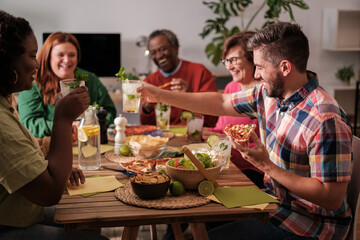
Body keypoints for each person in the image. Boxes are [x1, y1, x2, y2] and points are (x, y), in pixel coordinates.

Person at [139, 22, 353, 240]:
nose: (257, 75)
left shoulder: (325, 118)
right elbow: (221, 101)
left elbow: (331, 197)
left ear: (285, 67)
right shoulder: (269, 94)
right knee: (200, 219)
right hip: (273, 205)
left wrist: (265, 166)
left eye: (260, 67)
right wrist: (160, 95)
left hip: (307, 226)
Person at [0, 10, 107, 239]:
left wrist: (56, 166)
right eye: (31, 55)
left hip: (22, 206)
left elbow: (23, 154)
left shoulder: (5, 102)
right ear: (7, 61)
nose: (36, 63)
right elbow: (50, 194)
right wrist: (63, 120)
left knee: (89, 218)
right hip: (10, 222)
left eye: (72, 54)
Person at [18, 32, 116, 138]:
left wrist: (90, 123)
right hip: (49, 146)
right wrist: (68, 126)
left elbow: (110, 111)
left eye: (72, 55)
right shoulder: (33, 82)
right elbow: (30, 124)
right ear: (48, 57)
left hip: (88, 142)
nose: (67, 60)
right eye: (60, 55)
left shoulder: (90, 79)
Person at [202, 32, 264, 189]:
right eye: (226, 61)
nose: (228, 66)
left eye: (233, 60)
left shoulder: (265, 93)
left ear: (253, 58)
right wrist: (207, 132)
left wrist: (226, 141)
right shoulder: (231, 87)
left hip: (253, 171)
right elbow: (221, 129)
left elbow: (265, 148)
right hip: (228, 164)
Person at [140, 29, 218, 127]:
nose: (159, 55)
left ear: (175, 48)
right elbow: (146, 127)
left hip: (195, 136)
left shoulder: (200, 72)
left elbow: (213, 119)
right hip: (162, 138)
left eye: (163, 49)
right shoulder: (150, 81)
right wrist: (147, 110)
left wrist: (190, 97)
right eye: (153, 53)